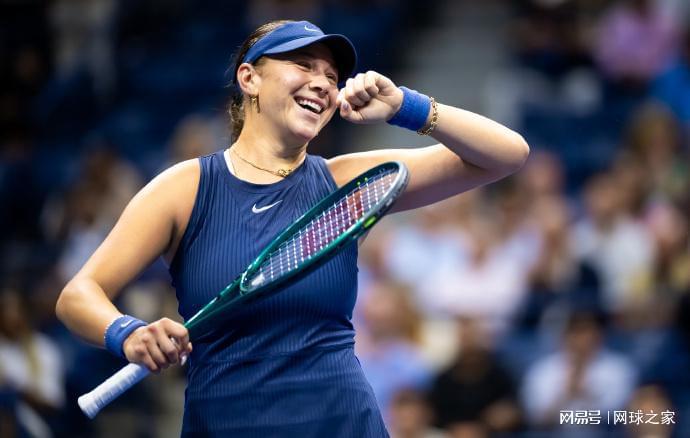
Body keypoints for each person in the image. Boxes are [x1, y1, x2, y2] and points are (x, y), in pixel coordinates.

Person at [55, 19, 529, 437]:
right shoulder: (185, 188)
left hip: (343, 424)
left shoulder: (344, 184)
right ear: (250, 78)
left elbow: (506, 155)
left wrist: (405, 105)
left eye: (332, 76)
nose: (322, 83)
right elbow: (77, 295)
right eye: (303, 65)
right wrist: (127, 333)